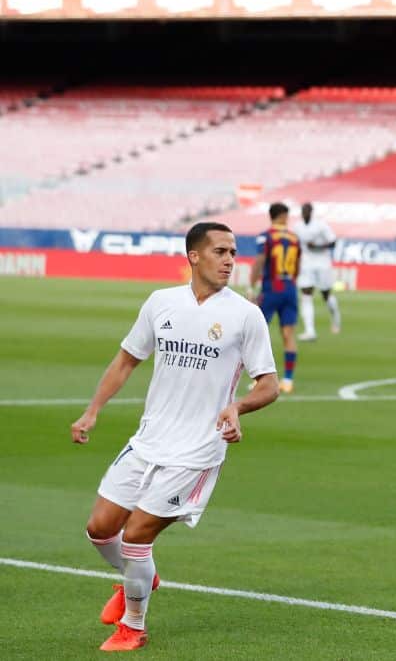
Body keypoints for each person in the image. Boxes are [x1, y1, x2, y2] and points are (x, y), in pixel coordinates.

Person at [71, 222, 279, 652]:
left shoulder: (245, 314)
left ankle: (133, 625)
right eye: (219, 251)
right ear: (194, 256)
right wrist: (93, 410)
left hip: (198, 450)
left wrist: (237, 407)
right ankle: (141, 576)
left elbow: (269, 384)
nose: (229, 260)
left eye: (232, 252)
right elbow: (126, 361)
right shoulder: (161, 303)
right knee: (99, 529)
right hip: (149, 440)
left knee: (136, 537)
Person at [250, 202, 301, 393]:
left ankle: (259, 380)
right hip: (289, 288)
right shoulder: (295, 238)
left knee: (258, 333)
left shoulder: (266, 236)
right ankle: (288, 380)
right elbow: (298, 266)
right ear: (283, 216)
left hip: (271, 288)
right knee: (288, 334)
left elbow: (260, 260)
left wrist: (251, 285)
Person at [294, 202, 343, 341]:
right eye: (303, 211)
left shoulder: (321, 226)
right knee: (306, 294)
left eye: (307, 211)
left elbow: (333, 242)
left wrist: (317, 246)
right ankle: (310, 331)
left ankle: (335, 317)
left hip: (322, 263)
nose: (305, 213)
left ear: (311, 212)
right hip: (306, 263)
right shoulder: (297, 227)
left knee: (326, 295)